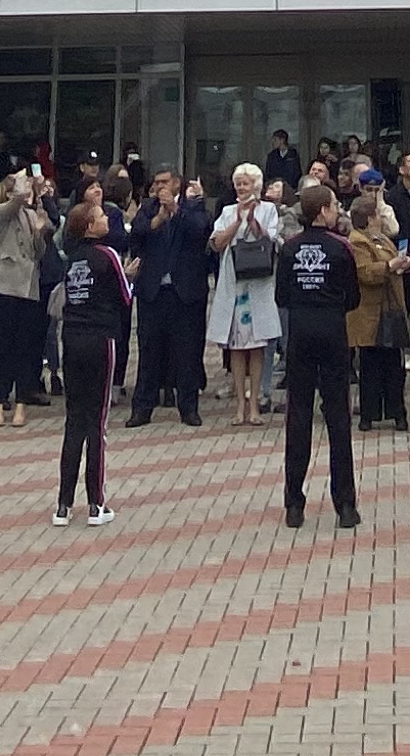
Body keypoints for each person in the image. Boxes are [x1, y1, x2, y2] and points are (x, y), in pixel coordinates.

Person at [277, 183, 364, 528]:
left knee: (298, 416)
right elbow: (353, 297)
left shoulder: (289, 248)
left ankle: (294, 504)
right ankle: (346, 505)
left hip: (299, 333)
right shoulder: (340, 248)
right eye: (334, 205)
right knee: (338, 417)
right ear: (323, 211)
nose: (337, 210)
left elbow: (281, 295)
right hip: (332, 332)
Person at [54, 192, 132, 524]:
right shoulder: (108, 254)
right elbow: (125, 296)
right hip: (101, 338)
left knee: (74, 420)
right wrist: (131, 275)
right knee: (96, 422)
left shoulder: (72, 259)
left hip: (72, 338)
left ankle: (63, 504)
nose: (106, 220)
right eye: (100, 217)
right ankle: (96, 504)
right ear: (89, 226)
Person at [127, 167, 213, 428]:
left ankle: (188, 408)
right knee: (149, 350)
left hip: (185, 292)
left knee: (187, 352)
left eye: (164, 182)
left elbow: (201, 231)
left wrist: (175, 210)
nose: (159, 187)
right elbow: (136, 234)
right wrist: (158, 219)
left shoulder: (193, 206)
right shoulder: (148, 208)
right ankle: (142, 408)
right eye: (156, 182)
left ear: (177, 183)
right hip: (153, 291)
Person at [208, 164, 285, 425]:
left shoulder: (269, 209)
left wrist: (253, 220)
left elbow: (272, 239)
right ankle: (240, 403)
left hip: (260, 282)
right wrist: (238, 221)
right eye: (238, 183)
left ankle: (255, 403)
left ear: (256, 185)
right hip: (234, 283)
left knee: (258, 345)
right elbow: (217, 243)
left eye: (246, 183)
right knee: (237, 346)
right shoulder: (227, 211)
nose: (241, 187)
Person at [0, 165, 56, 424]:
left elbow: (39, 252)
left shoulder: (32, 214)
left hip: (29, 288)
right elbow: (15, 201)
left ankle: (21, 403)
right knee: (4, 345)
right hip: (5, 286)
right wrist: (23, 182)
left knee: (26, 347)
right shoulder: (5, 212)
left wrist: (39, 231)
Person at [345, 183, 408, 430]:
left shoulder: (381, 238)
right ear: (370, 218)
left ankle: (397, 412)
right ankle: (368, 415)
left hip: (389, 310)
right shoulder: (357, 241)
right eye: (378, 215)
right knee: (370, 366)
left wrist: (403, 262)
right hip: (369, 312)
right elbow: (365, 272)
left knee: (393, 366)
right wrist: (390, 266)